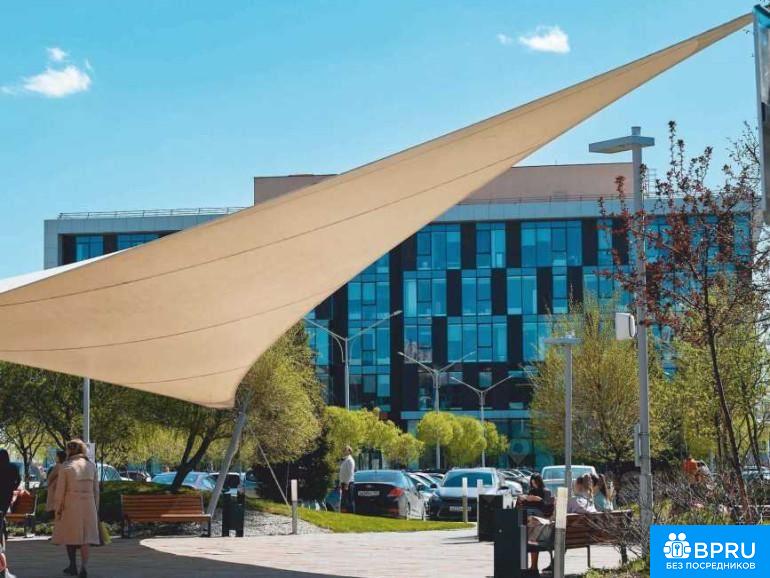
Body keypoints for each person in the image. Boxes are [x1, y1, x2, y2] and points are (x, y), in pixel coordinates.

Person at [52, 439, 100, 578]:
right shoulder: (91, 466)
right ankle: (84, 566)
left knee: (70, 536)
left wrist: (58, 508)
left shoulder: (66, 467)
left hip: (71, 504)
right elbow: (96, 490)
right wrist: (96, 508)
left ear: (69, 450)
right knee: (86, 538)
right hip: (89, 504)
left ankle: (72, 565)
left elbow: (60, 491)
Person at [518, 473, 555, 574]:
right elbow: (525, 506)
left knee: (531, 538)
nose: (534, 485)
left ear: (540, 482)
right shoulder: (532, 491)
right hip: (531, 521)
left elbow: (548, 509)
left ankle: (533, 567)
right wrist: (524, 499)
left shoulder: (546, 492)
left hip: (541, 524)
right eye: (532, 483)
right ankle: (531, 567)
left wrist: (539, 499)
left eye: (536, 483)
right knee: (527, 534)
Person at [0, 449, 21, 516]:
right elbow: (19, 479)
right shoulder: (13, 467)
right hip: (8, 492)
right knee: (4, 510)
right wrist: (14, 487)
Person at [339, 446, 355, 513]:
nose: (344, 451)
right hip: (344, 482)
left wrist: (347, 484)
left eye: (346, 450)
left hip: (348, 483)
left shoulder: (350, 460)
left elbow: (350, 473)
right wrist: (340, 482)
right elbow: (342, 472)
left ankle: (351, 513)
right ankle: (344, 513)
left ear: (349, 451)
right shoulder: (344, 460)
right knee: (344, 499)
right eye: (344, 449)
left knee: (349, 499)